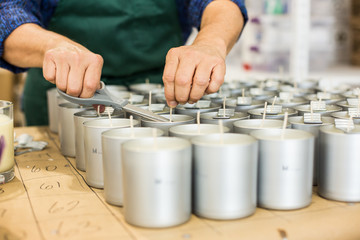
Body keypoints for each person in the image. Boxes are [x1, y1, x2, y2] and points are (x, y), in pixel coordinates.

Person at [0, 0, 247, 126]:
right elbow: (7, 12)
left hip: (163, 95)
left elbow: (222, 3)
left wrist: (210, 42)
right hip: (63, 97)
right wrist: (50, 46)